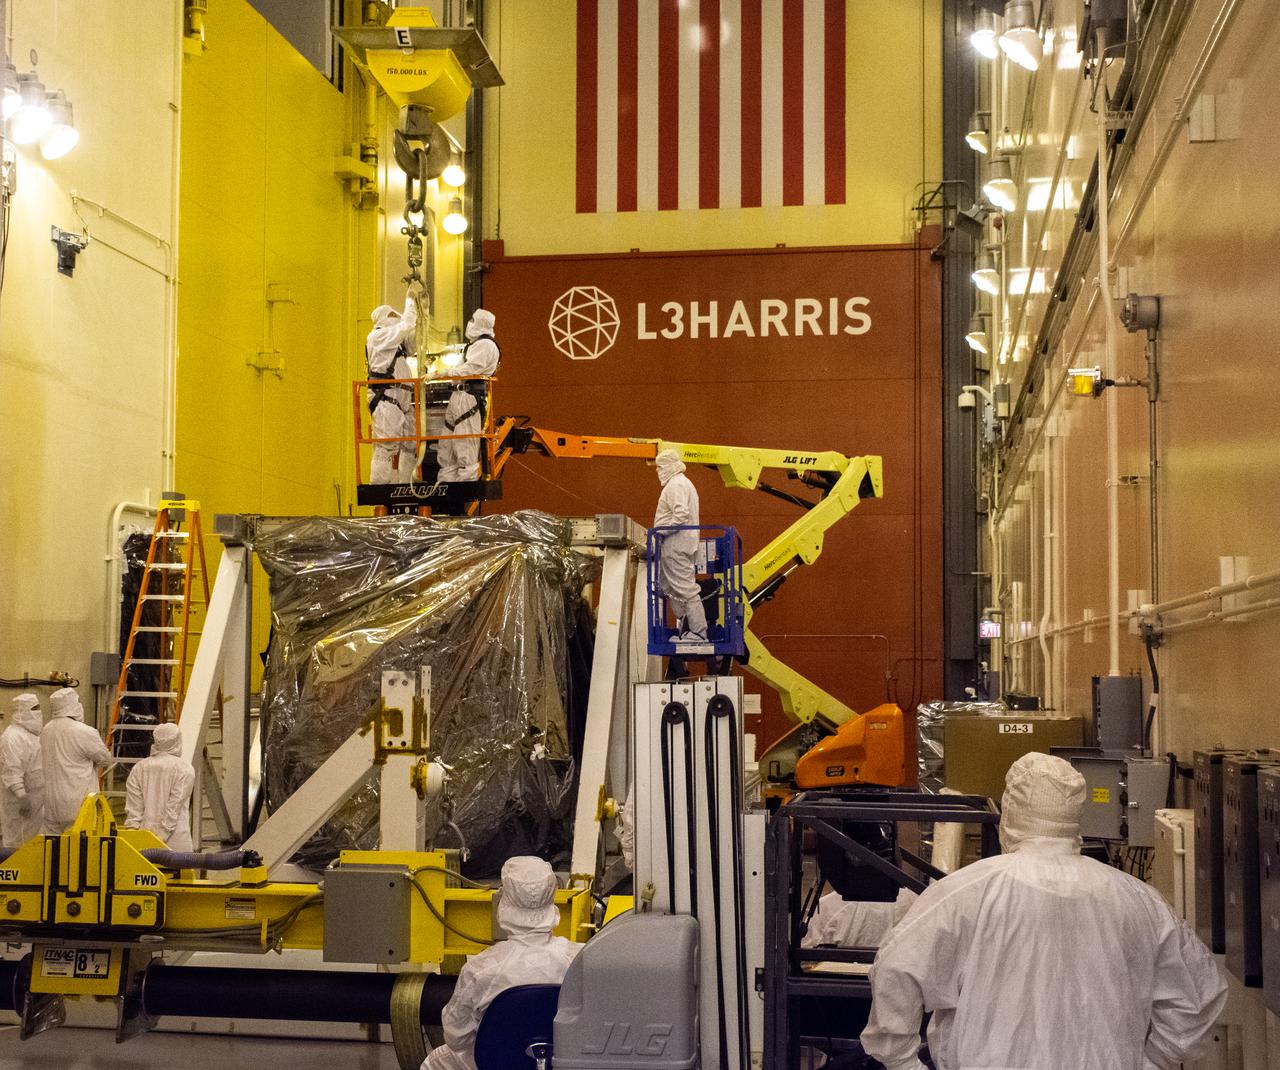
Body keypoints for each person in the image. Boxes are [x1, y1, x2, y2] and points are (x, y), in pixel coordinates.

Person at [861, 752, 1227, 1070]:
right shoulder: (1138, 900)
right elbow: (1198, 997)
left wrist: (902, 1061)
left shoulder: (966, 893)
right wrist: (1151, 1061)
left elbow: (895, 968)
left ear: (1012, 812)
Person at [423, 856, 580, 1070]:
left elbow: (456, 1037)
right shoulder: (581, 961)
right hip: (565, 1064)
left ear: (504, 901)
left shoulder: (481, 969)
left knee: (436, 1062)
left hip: (496, 1065)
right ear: (552, 899)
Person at [432, 309, 500, 483]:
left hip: (470, 397)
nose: (469, 323)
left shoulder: (486, 345)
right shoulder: (475, 345)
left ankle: (463, 490)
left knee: (465, 446)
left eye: (472, 319)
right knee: (447, 444)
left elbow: (471, 369)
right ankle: (446, 484)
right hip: (459, 395)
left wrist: (443, 373)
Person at [367, 281, 424, 484]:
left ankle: (405, 483)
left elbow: (413, 338)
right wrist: (409, 299)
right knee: (385, 448)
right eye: (391, 315)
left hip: (401, 403)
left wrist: (421, 308)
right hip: (387, 400)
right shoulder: (378, 337)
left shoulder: (395, 345)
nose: (395, 318)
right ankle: (380, 489)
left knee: (410, 444)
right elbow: (405, 325)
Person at [41, 687, 113, 834]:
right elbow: (105, 759)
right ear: (73, 706)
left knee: (52, 849)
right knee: (78, 851)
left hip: (50, 804)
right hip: (78, 804)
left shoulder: (45, 731)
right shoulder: (84, 731)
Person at [653, 449, 707, 641]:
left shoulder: (676, 484)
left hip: (676, 544)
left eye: (660, 467)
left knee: (685, 588)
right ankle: (687, 630)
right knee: (673, 588)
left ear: (669, 466)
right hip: (677, 544)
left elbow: (680, 515)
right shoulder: (682, 484)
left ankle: (699, 633)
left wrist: (659, 531)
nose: (658, 471)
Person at [124, 722, 195, 851]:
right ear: (178, 741)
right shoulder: (185, 769)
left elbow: (134, 810)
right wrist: (161, 837)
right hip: (176, 842)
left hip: (144, 840)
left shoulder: (139, 768)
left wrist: (132, 839)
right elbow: (174, 806)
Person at [0, 693, 45, 847]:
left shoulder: (34, 735)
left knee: (33, 846)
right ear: (22, 711)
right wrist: (21, 796)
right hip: (19, 806)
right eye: (33, 708)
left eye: (39, 708)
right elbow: (11, 771)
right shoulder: (12, 737)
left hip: (36, 803)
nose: (38, 712)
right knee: (17, 846)